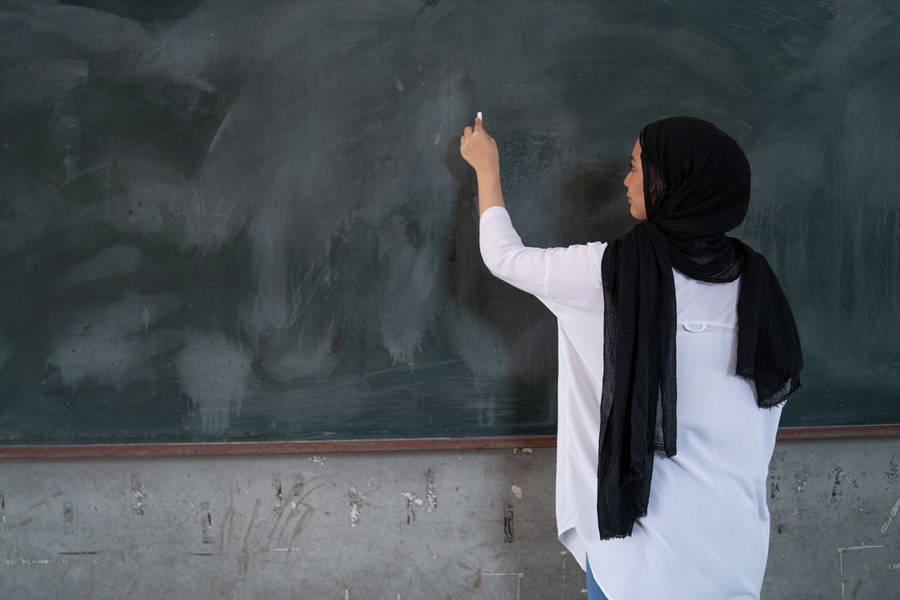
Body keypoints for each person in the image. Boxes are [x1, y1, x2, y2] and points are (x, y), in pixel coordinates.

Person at [459, 115, 803, 599]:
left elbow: (504, 258)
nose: (626, 180)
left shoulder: (611, 272)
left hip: (638, 557)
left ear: (674, 181)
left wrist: (486, 168)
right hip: (734, 550)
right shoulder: (759, 284)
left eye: (638, 167)